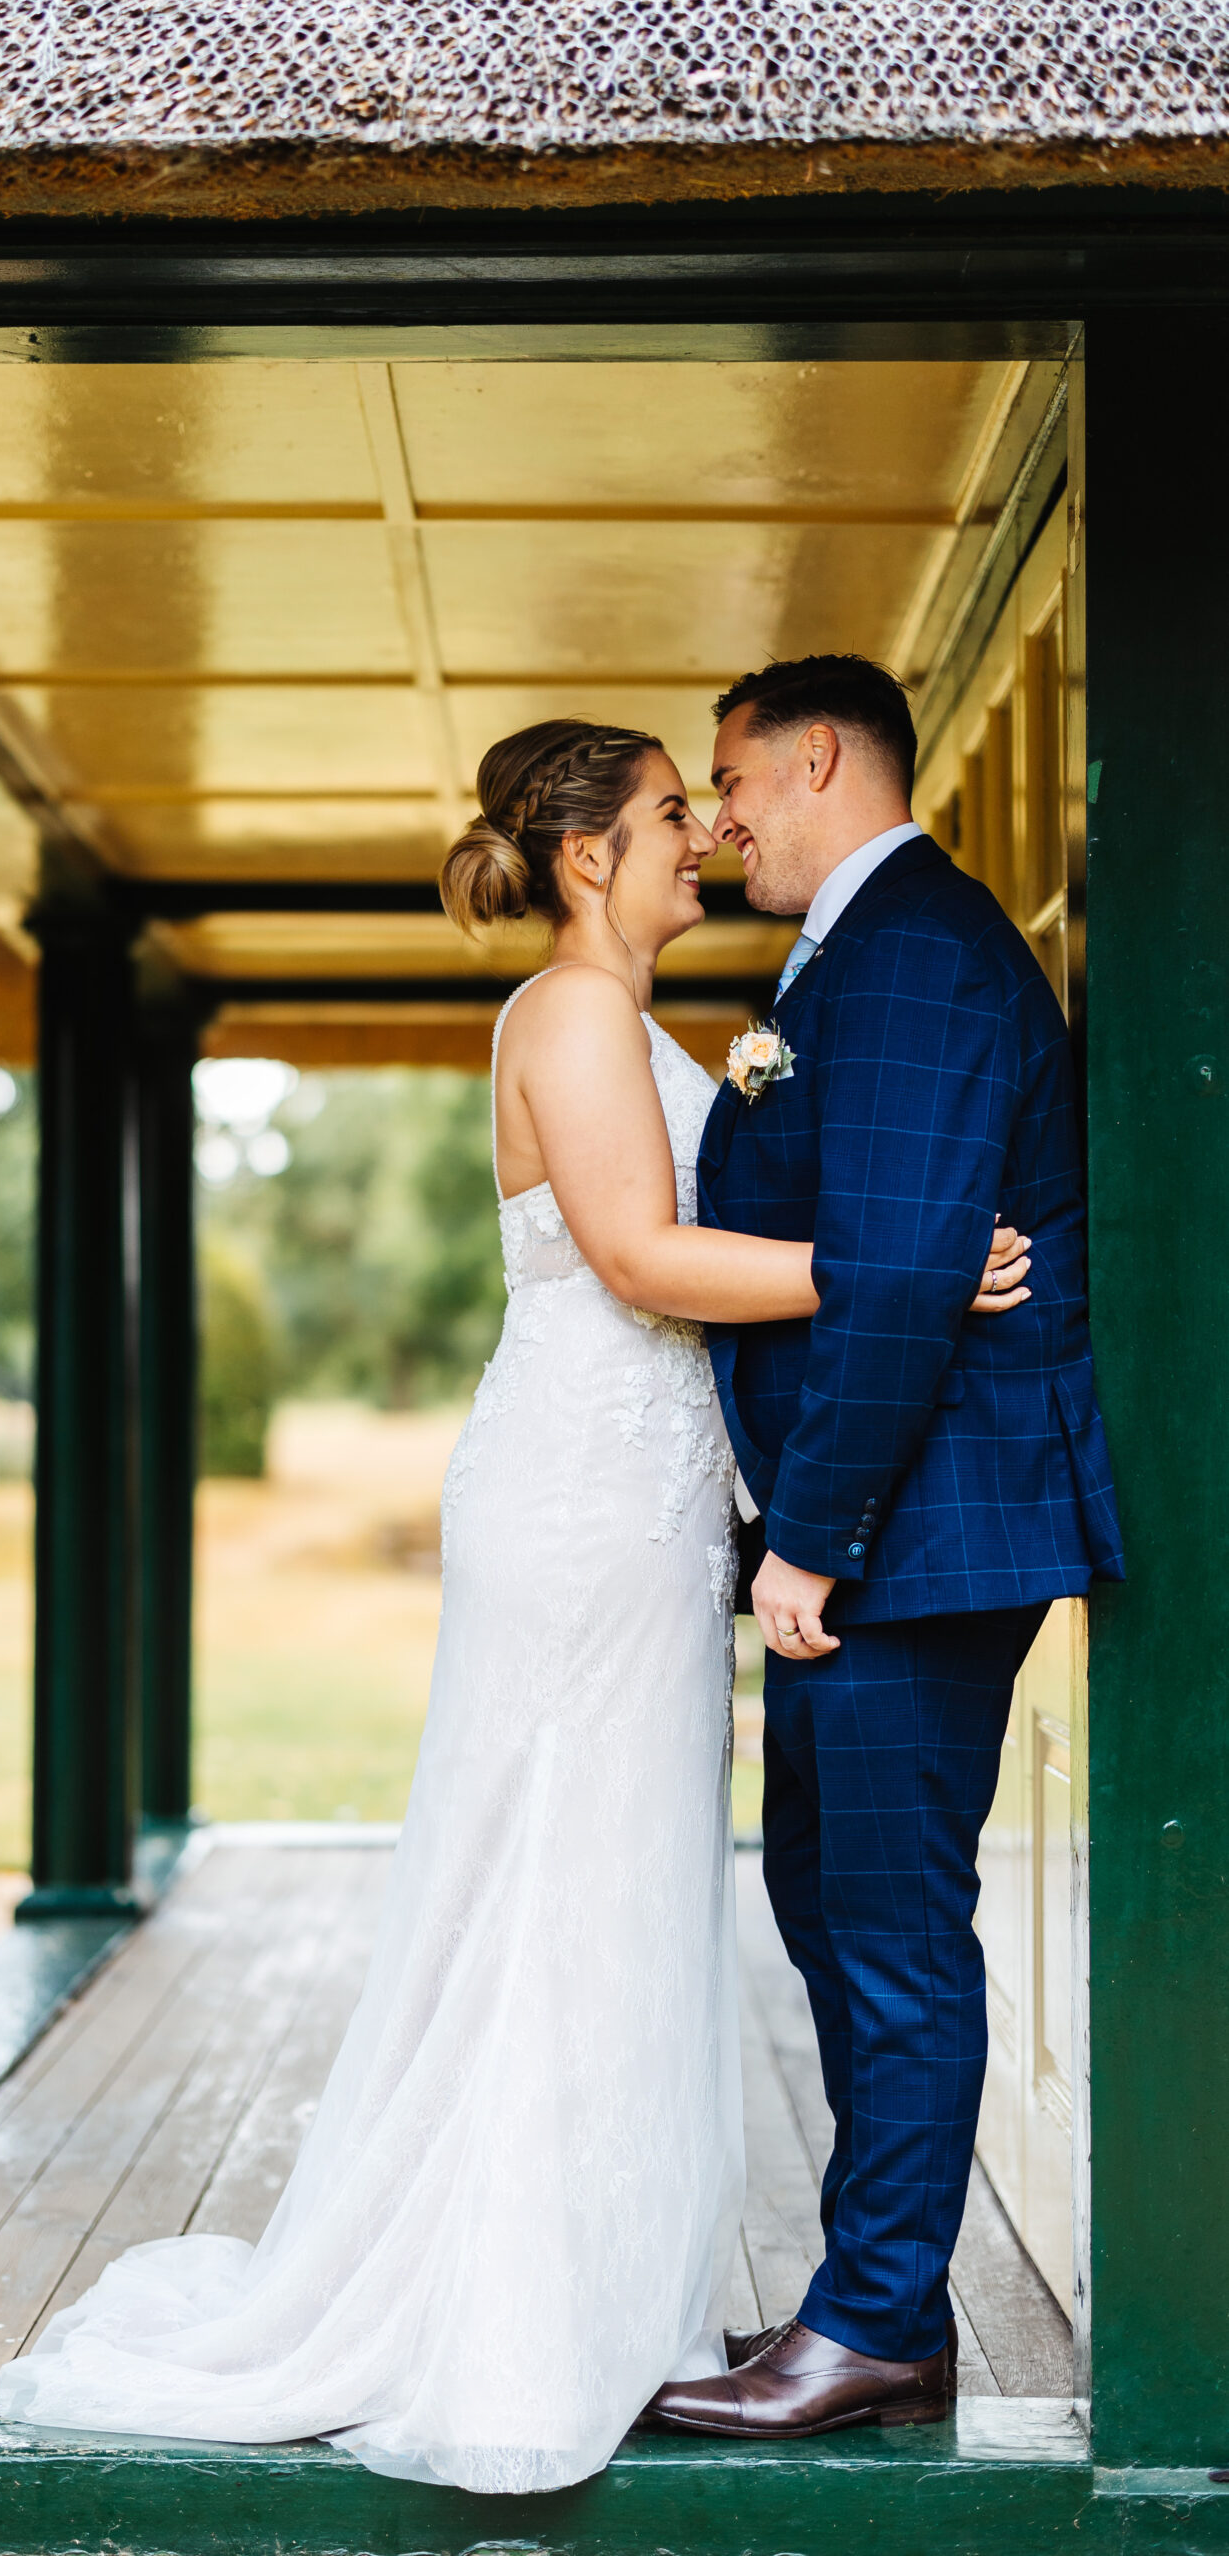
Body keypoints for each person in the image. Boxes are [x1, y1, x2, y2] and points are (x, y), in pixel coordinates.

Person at [0, 718, 1029, 2492]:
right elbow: (635, 1257)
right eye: (662, 817)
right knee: (559, 1876)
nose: (695, 835)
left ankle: (601, 2286)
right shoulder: (564, 1015)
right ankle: (512, 2306)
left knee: (612, 1883)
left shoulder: (623, 1021)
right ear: (583, 858)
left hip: (636, 1501)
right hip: (575, 1503)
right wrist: (909, 1269)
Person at [646, 656, 1123, 2440]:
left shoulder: (915, 944)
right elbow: (888, 1246)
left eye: (731, 779)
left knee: (895, 1929)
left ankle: (877, 2322)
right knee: (828, 1899)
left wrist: (810, 1545)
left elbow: (908, 1271)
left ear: (819, 755)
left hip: (915, 1536)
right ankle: (879, 2292)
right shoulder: (850, 953)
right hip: (892, 1531)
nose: (719, 816)